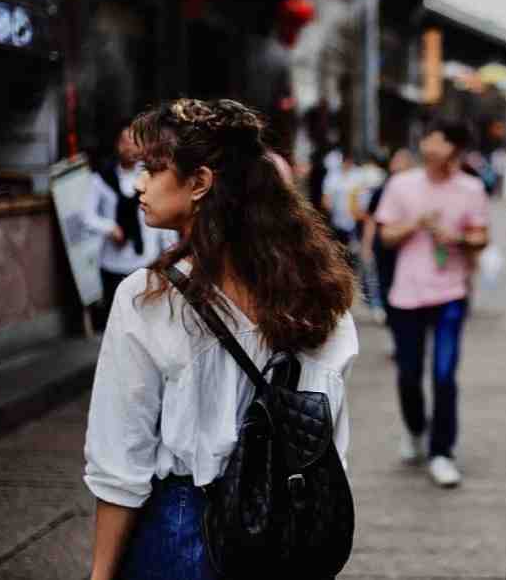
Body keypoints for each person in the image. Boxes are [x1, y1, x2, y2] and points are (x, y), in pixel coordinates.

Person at [83, 99, 359, 580]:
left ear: (200, 183)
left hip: (186, 531)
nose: (139, 184)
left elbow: (121, 462)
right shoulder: (319, 294)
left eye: (153, 168)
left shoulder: (149, 298)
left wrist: (100, 574)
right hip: (289, 531)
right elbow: (329, 437)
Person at [374, 120, 490, 488]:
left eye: (437, 140)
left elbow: (482, 236)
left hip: (450, 293)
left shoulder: (471, 188)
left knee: (444, 376)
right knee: (408, 374)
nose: (428, 145)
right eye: (426, 138)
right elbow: (385, 235)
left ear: (453, 148)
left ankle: (442, 452)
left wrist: (456, 237)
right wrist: (415, 225)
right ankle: (414, 429)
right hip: (407, 294)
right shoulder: (401, 184)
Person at [85, 127, 178, 328]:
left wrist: (170, 251)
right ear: (117, 145)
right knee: (117, 321)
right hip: (113, 263)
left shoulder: (153, 176)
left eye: (135, 141)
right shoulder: (101, 178)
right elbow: (88, 216)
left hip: (146, 260)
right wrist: (110, 227)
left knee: (147, 321)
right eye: (124, 141)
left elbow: (163, 216)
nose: (129, 147)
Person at [361, 147, 417, 329]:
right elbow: (371, 218)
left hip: (408, 247)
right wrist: (367, 245)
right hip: (384, 247)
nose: (397, 165)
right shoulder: (382, 189)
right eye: (396, 161)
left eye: (402, 162)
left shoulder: (417, 190)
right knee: (386, 285)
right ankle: (394, 323)